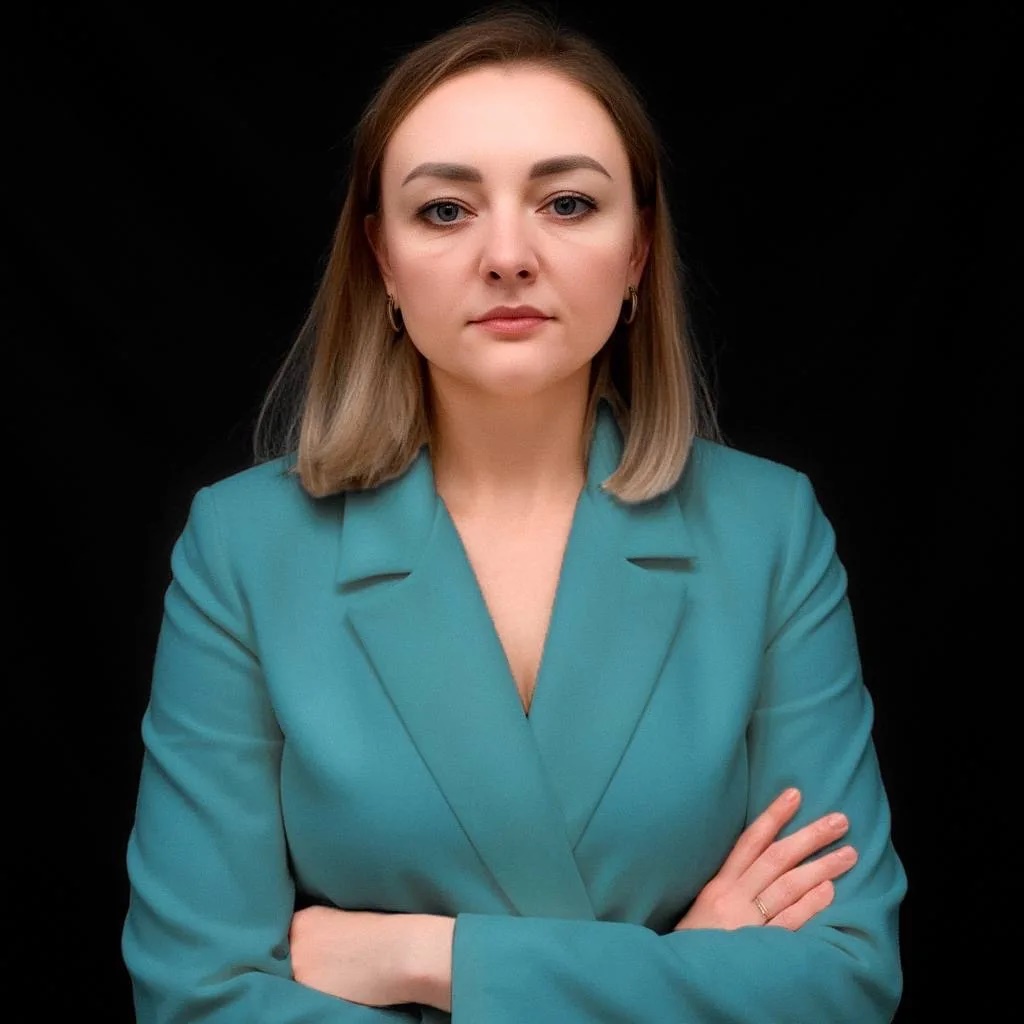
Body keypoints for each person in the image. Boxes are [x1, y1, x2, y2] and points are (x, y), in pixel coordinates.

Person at [121, 3, 907, 1021]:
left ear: (637, 250)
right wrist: (680, 968)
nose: (507, 255)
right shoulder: (242, 549)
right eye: (445, 210)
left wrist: (429, 958)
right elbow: (197, 998)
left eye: (567, 203)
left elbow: (842, 982)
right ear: (381, 259)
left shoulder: (769, 532)